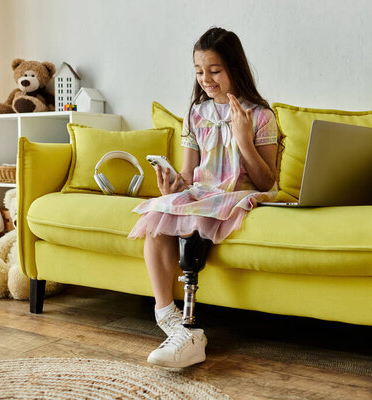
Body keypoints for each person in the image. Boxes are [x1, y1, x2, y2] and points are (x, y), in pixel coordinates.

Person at [128, 27, 279, 368]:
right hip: (201, 192)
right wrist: (172, 186)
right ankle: (169, 317)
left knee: (194, 215)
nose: (206, 79)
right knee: (157, 214)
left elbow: (267, 180)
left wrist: (243, 140)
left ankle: (187, 330)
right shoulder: (196, 114)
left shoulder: (260, 115)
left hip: (236, 193)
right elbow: (187, 176)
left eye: (214, 71)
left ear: (234, 69)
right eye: (199, 72)